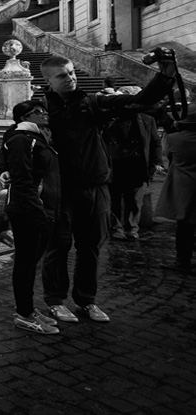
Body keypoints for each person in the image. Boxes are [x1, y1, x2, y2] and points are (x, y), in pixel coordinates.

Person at [39, 54, 177, 324]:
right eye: (62, 76)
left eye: (71, 72)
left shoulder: (91, 103)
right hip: (61, 189)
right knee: (59, 245)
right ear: (47, 80)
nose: (70, 78)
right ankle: (55, 300)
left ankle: (86, 300)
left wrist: (165, 76)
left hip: (96, 184)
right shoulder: (41, 109)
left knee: (90, 246)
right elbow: (20, 139)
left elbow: (137, 101)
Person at [0, 100, 62, 335]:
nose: (44, 113)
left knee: (30, 262)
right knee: (25, 263)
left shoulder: (39, 137)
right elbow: (23, 181)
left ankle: (28, 308)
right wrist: (39, 214)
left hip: (40, 208)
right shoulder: (23, 140)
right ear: (24, 117)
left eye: (44, 110)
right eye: (37, 111)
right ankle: (24, 314)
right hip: (29, 211)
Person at [104, 86, 163, 240]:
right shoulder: (110, 120)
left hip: (136, 165)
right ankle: (116, 227)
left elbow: (155, 142)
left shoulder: (147, 120)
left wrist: (157, 162)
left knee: (135, 200)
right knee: (114, 199)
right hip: (115, 164)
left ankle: (132, 227)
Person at [156, 103, 196, 273]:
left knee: (184, 228)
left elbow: (167, 154)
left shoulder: (174, 139)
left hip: (183, 188)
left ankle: (182, 261)